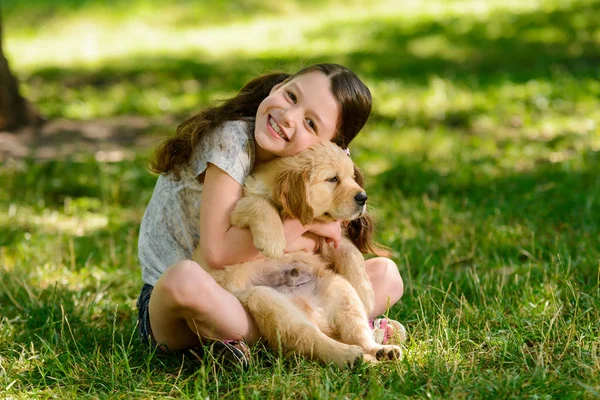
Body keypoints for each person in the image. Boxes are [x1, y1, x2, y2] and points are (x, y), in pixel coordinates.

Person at [136, 63, 404, 367]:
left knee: (387, 275)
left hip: (270, 290)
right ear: (278, 87)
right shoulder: (231, 140)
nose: (288, 117)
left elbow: (311, 252)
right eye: (291, 96)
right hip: (187, 303)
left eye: (311, 124)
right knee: (183, 279)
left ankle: (264, 340)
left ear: (330, 146)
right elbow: (216, 253)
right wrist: (310, 227)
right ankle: (311, 336)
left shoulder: (314, 170)